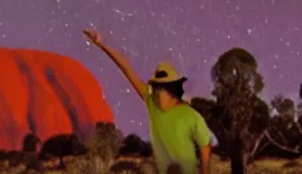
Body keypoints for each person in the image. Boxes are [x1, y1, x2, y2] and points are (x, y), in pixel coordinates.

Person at [83, 29, 212, 174]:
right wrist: (102, 45)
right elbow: (127, 70)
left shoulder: (190, 115)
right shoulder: (152, 102)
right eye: (156, 87)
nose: (158, 91)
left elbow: (205, 143)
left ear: (172, 89)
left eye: (163, 87)